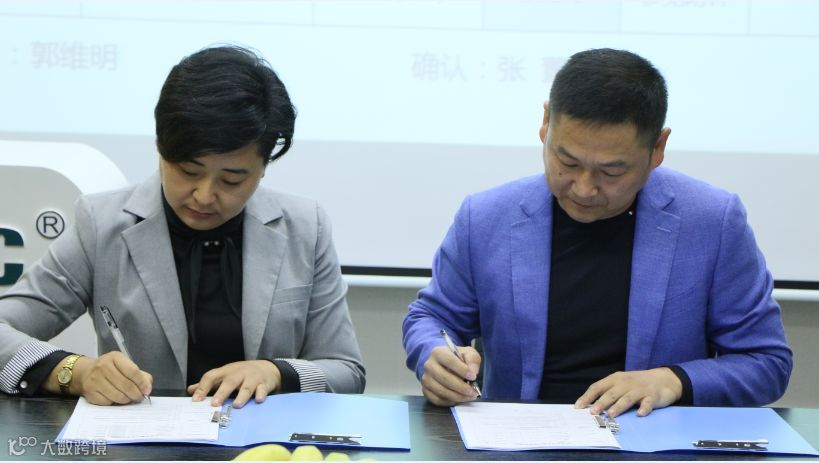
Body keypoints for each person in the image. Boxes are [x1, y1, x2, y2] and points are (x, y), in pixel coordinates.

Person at [402, 48, 792, 417]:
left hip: (651, 441)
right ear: (545, 124)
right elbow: (433, 316)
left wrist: (673, 380)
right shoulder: (487, 217)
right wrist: (434, 355)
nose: (584, 188)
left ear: (657, 148)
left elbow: (766, 362)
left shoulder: (712, 221)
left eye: (611, 171)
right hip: (520, 440)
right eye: (567, 161)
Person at [0, 45, 365, 407]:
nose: (204, 196)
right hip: (140, 437)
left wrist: (276, 372)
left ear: (264, 166)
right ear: (161, 149)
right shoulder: (102, 224)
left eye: (232, 180)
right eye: (188, 172)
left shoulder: (304, 227)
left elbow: (346, 371)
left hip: (264, 437)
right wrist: (75, 372)